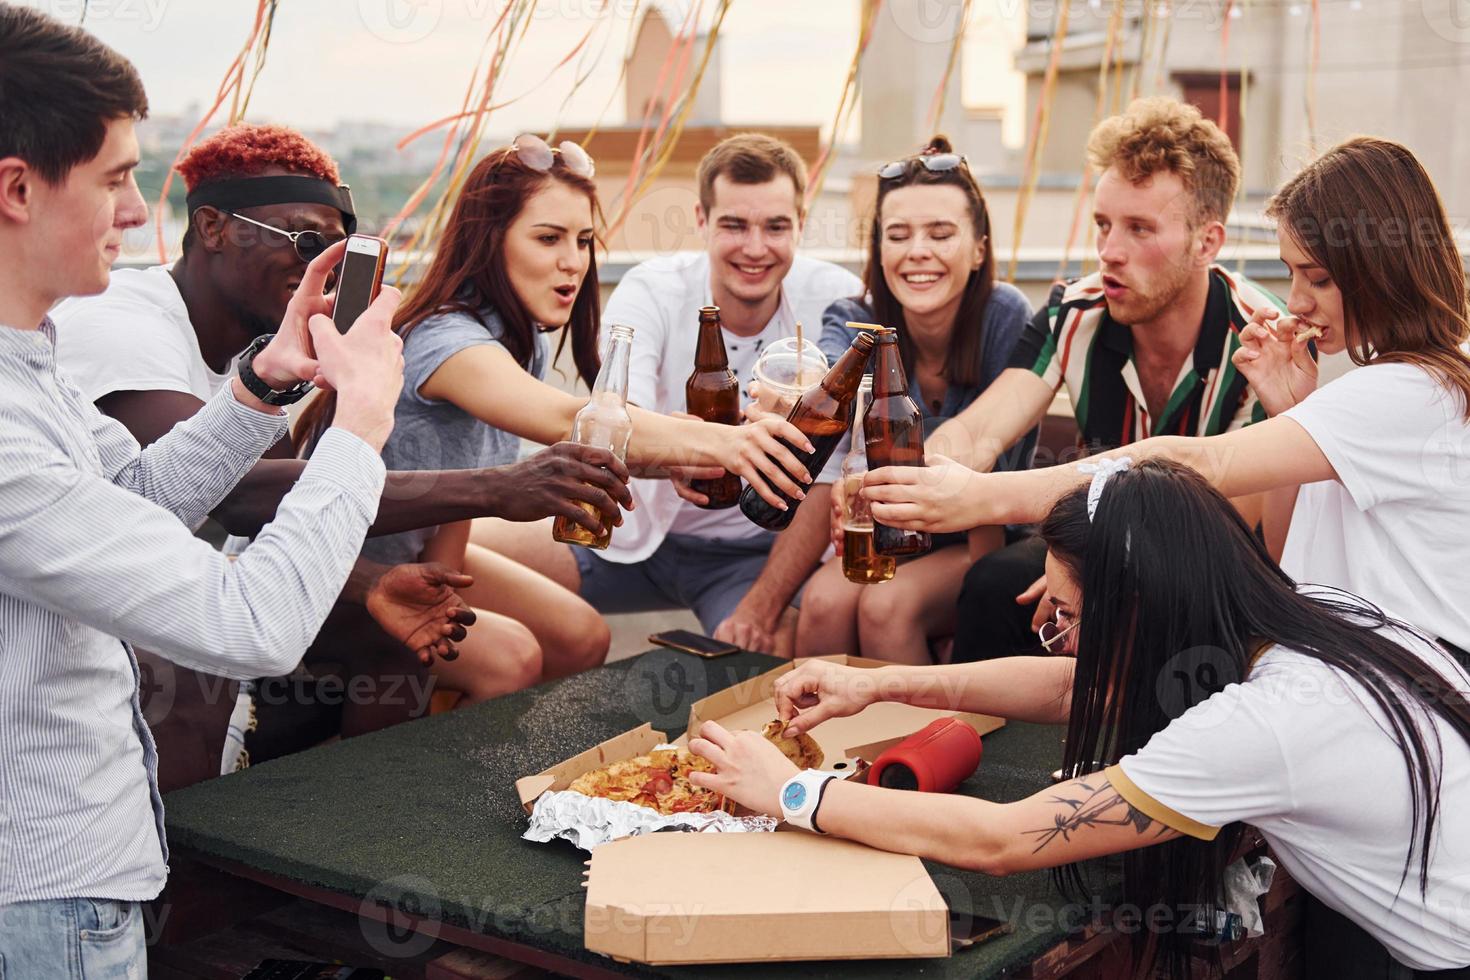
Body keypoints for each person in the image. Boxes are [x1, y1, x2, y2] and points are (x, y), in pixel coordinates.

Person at [691, 459, 1470, 978]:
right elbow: (1078, 688)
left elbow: (1004, 839)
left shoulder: (1258, 726)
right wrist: (883, 685)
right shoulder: (1311, 613)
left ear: (1141, 611)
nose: (1058, 634)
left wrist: (793, 793)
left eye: (1064, 613)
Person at [0, 7, 405, 972]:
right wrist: (359, 426)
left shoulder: (30, 364)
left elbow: (134, 499)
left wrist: (266, 379)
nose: (138, 213)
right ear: (17, 188)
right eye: (114, 178)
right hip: (44, 894)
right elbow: (249, 625)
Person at [54, 123, 631, 755]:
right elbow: (237, 498)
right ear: (213, 228)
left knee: (453, 629)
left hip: (220, 575)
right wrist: (497, 488)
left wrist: (374, 584)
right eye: (304, 241)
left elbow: (273, 499)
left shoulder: (267, 339)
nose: (320, 269)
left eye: (338, 248)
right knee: (498, 653)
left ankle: (371, 822)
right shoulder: (125, 326)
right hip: (115, 609)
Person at [865, 135, 1470, 664]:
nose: (1299, 302)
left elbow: (1205, 476)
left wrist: (984, 498)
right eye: (1103, 224)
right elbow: (1295, 560)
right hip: (1339, 657)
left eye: (1318, 278)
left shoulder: (1405, 389)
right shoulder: (1391, 383)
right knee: (997, 587)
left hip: (1365, 668)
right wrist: (1291, 409)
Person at [294, 133, 816, 675]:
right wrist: (733, 442)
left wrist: (675, 461)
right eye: (548, 239)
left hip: (420, 555)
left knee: (581, 637)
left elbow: (462, 492)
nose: (574, 263)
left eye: (585, 240)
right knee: (510, 658)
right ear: (492, 240)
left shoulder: (522, 338)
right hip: (338, 568)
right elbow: (568, 420)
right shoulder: (445, 339)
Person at [915, 97, 1280, 663]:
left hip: (1213, 564)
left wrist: (1092, 567)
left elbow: (1232, 524)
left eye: (1139, 229)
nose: (1109, 253)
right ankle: (973, 748)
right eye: (1104, 225)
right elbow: (978, 431)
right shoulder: (1076, 311)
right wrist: (919, 475)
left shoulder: (1259, 337)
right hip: (1097, 538)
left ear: (1208, 242)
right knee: (994, 588)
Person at [543, 133, 863, 654]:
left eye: (776, 226)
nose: (755, 248)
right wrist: (681, 452)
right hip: (633, 528)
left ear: (801, 225)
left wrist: (761, 608)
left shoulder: (836, 297)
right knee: (468, 568)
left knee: (766, 667)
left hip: (756, 554)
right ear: (701, 220)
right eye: (734, 225)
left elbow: (828, 471)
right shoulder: (652, 289)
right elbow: (620, 415)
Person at [795, 135, 1036, 663]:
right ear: (879, 250)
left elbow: (990, 486)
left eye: (940, 234)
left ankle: (922, 745)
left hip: (983, 536)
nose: (917, 252)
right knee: (820, 603)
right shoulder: (851, 316)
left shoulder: (1005, 315)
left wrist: (980, 597)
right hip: (887, 529)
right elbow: (821, 379)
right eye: (898, 235)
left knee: (886, 607)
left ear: (978, 248)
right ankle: (808, 744)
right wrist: (783, 393)